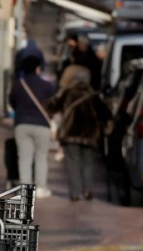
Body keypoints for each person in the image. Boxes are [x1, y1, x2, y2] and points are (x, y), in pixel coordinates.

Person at [46, 69, 111, 201]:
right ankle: (87, 190)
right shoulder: (93, 95)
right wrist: (106, 127)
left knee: (72, 163)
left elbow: (53, 105)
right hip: (89, 134)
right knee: (87, 162)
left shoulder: (68, 92)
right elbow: (105, 113)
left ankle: (75, 192)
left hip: (70, 133)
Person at [8, 55, 57, 198]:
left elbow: (12, 102)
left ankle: (25, 189)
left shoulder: (18, 84)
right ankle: (41, 188)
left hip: (22, 124)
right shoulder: (47, 86)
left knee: (24, 157)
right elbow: (52, 105)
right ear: (38, 68)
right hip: (42, 124)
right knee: (41, 156)